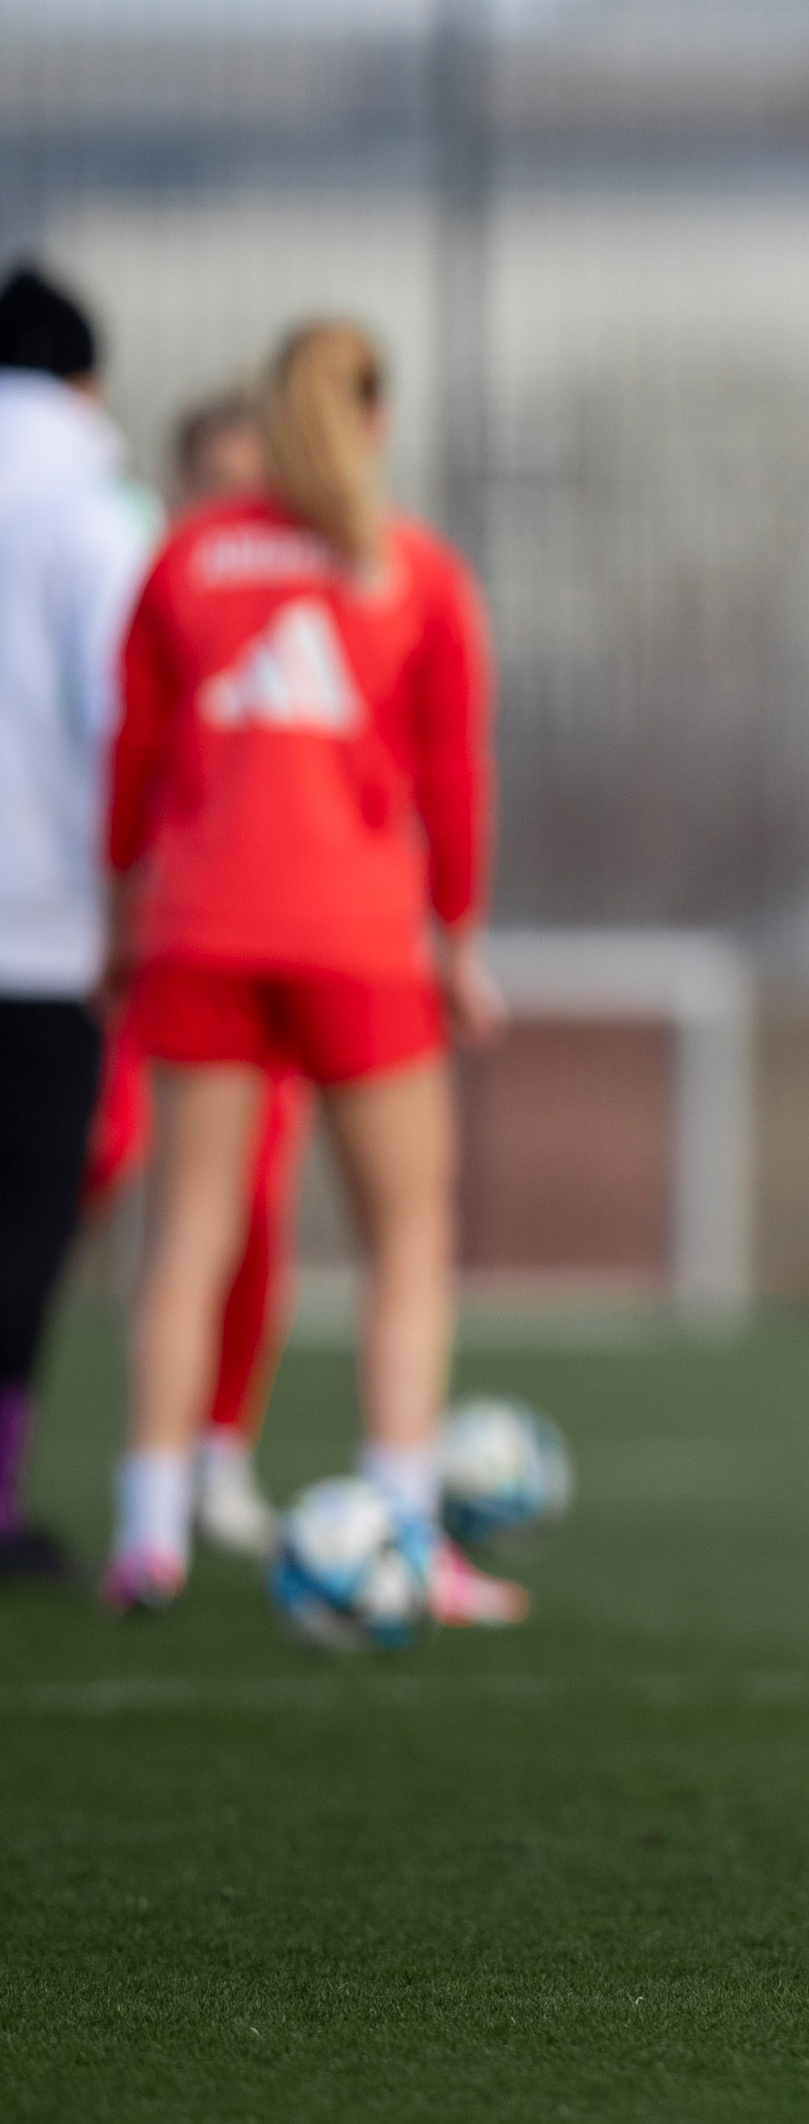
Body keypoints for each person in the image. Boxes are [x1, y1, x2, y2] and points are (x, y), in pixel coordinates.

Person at [96, 317, 524, 1627]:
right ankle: (403, 1533)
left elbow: (136, 759)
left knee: (187, 1239)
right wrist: (457, 937)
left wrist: (125, 905)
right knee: (406, 1241)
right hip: (355, 939)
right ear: (375, 420)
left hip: (200, 931)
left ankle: (149, 1536)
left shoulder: (185, 558)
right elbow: (453, 780)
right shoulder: (411, 570)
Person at [82, 382, 311, 1562]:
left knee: (251, 1208)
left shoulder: (324, 603)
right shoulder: (154, 597)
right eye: (217, 489)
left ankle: (217, 1452)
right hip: (156, 944)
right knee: (100, 1172)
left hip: (270, 955)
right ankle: (137, 1479)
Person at [0, 261, 152, 1586]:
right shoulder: (90, 510)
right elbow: (130, 719)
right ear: (87, 380)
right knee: (24, 1218)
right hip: (39, 925)